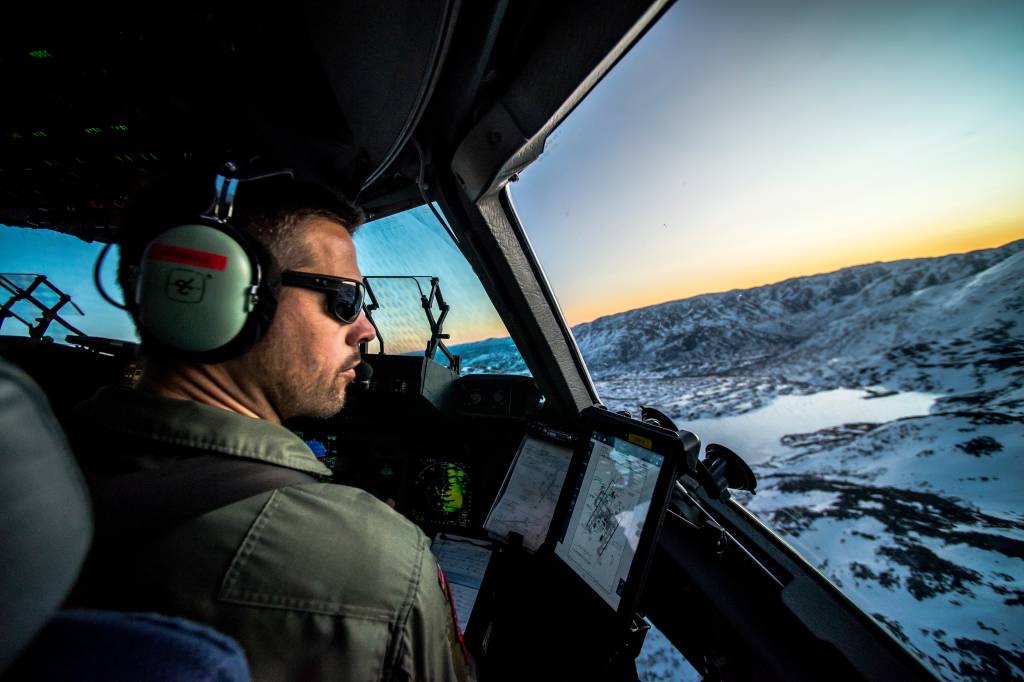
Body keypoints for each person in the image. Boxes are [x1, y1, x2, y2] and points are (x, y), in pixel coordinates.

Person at [68, 166, 472, 681]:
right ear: (226, 293)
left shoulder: (43, 457)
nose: (366, 328)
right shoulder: (379, 568)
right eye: (345, 299)